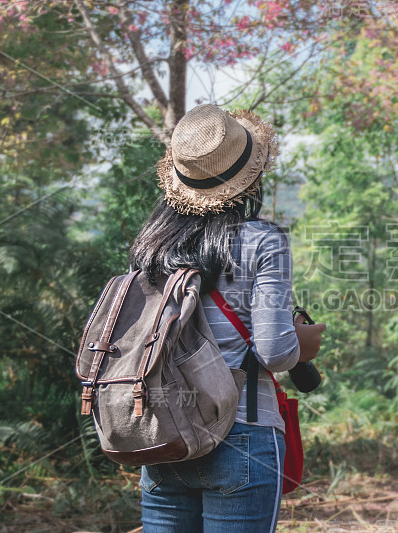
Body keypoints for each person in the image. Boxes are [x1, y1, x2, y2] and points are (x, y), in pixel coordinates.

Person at [128, 104, 326, 532]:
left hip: (164, 434)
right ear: (251, 177)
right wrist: (302, 344)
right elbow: (274, 353)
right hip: (243, 434)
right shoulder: (262, 241)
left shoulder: (152, 245)